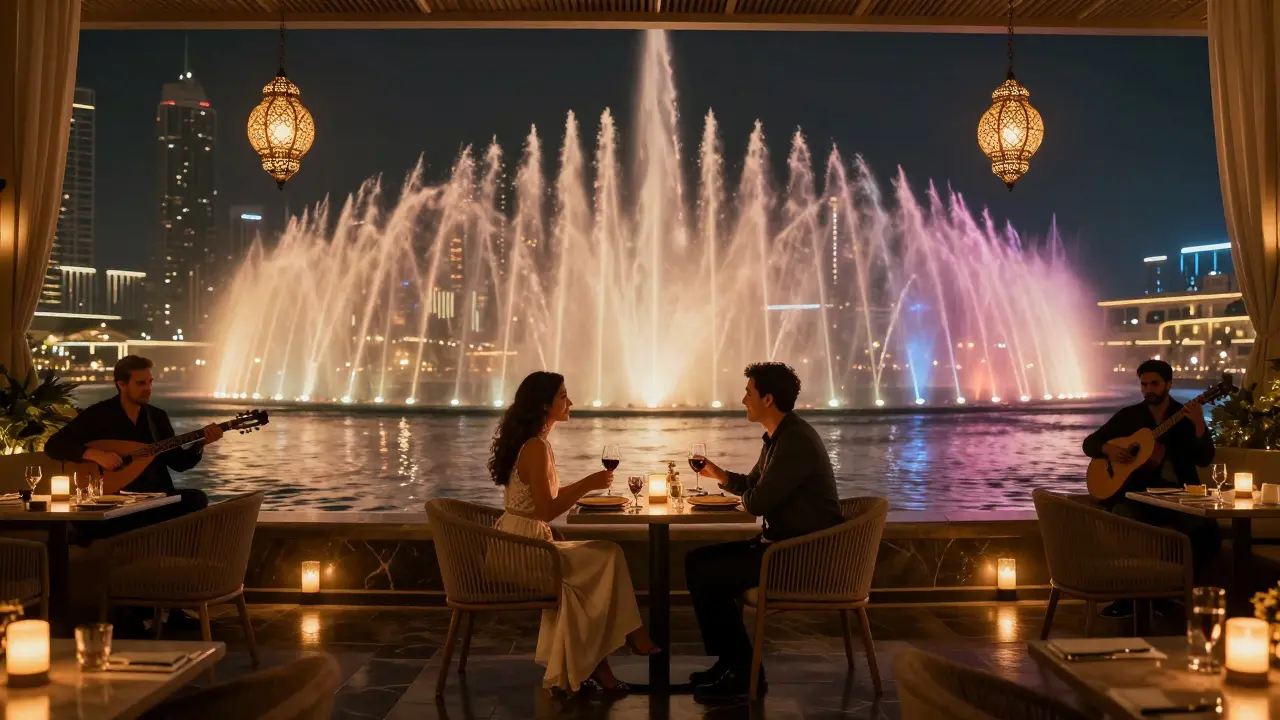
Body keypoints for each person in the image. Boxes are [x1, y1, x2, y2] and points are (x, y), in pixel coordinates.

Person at [488, 371, 659, 694]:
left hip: (518, 540)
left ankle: (601, 665)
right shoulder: (535, 447)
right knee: (606, 558)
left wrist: (585, 488)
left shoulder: (533, 443)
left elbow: (542, 501)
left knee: (596, 569)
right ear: (545, 405)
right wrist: (588, 484)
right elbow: (546, 510)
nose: (571, 402)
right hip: (524, 550)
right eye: (563, 396)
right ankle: (631, 634)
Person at [685, 362, 844, 702]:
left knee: (706, 571)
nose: (744, 400)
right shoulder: (779, 437)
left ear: (767, 399)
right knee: (698, 562)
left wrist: (744, 498)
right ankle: (731, 662)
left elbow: (757, 502)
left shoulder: (795, 441)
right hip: (783, 546)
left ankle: (743, 671)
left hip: (800, 555)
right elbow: (753, 485)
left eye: (749, 393)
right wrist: (719, 474)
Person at [1082, 358, 1220, 618]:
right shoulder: (1129, 416)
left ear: (1169, 384)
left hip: (1178, 498)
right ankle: (1127, 599)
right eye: (1144, 384)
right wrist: (1109, 449)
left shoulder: (1185, 416)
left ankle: (1178, 593)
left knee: (1209, 532)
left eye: (1154, 384)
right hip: (1136, 496)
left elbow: (1204, 459)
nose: (1148, 390)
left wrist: (1200, 424)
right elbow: (1090, 443)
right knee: (1123, 522)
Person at [45, 355, 222, 529]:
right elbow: (54, 445)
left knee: (197, 498)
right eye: (140, 383)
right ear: (122, 384)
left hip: (155, 497)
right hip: (114, 500)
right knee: (94, 520)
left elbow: (179, 463)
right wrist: (95, 454)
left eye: (150, 382)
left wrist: (201, 444)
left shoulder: (157, 417)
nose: (148, 388)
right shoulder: (99, 414)